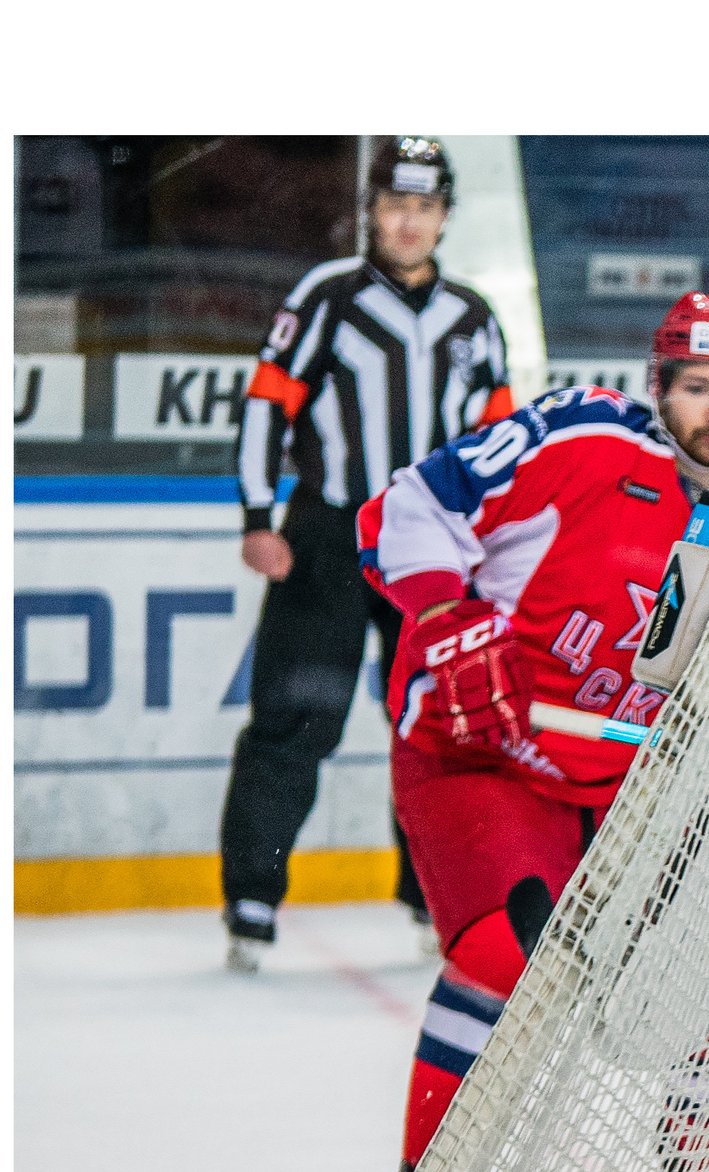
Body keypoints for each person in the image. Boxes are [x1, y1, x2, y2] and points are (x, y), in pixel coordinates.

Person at [356, 293, 709, 1172]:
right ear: (657, 387)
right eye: (696, 387)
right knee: (502, 959)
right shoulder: (581, 433)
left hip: (617, 795)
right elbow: (406, 507)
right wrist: (443, 615)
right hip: (480, 757)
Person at [221, 137, 513, 971]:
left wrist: (495, 546)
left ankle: (437, 900)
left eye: (425, 206)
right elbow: (264, 407)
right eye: (395, 204)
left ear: (446, 216)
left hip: (432, 553)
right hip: (328, 538)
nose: (409, 221)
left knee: (441, 730)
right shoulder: (327, 296)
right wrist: (257, 516)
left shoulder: (475, 318)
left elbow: (500, 441)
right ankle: (252, 897)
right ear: (371, 212)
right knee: (294, 718)